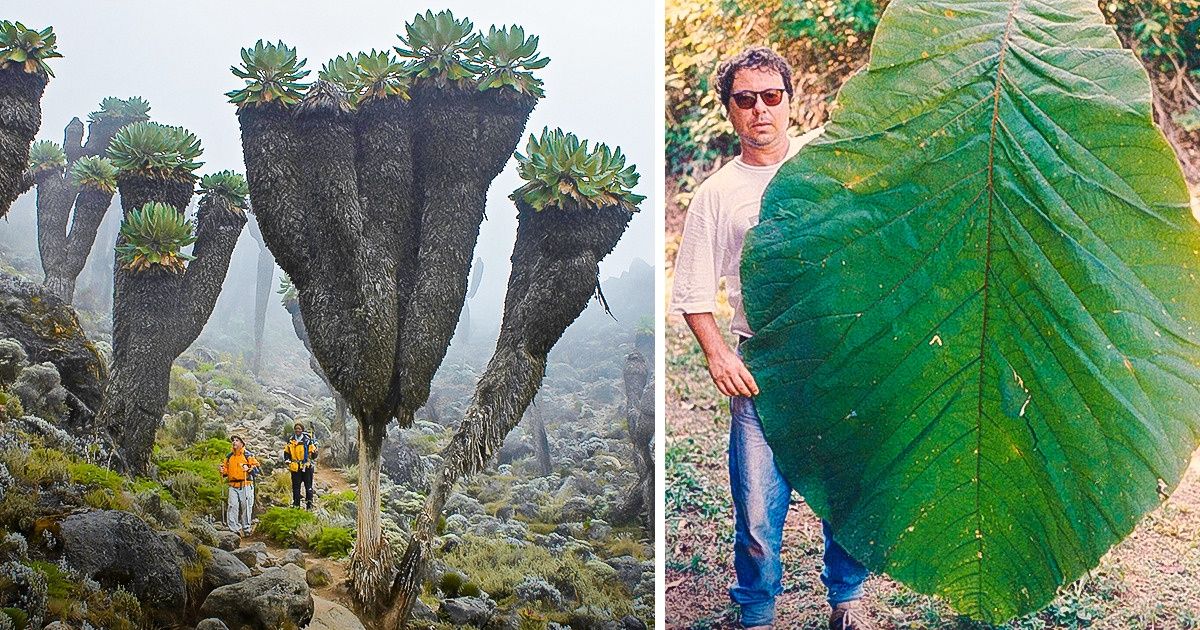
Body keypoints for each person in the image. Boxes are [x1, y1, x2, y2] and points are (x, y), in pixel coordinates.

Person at [669, 46, 872, 630]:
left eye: (772, 96)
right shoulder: (717, 194)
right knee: (757, 510)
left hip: (837, 358)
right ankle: (757, 612)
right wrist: (717, 352)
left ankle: (846, 603)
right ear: (729, 110)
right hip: (762, 369)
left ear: (790, 99)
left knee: (845, 494)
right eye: (745, 99)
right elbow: (693, 290)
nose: (761, 109)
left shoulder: (825, 159)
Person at [220, 435, 259, 537]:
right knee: (232, 505)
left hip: (246, 484)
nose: (234, 442)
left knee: (246, 506)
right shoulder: (229, 457)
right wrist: (223, 471)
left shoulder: (248, 455)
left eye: (237, 440)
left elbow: (256, 468)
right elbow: (226, 470)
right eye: (233, 440)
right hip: (233, 485)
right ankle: (233, 529)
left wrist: (248, 468)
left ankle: (246, 528)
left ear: (242, 443)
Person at [283, 422, 318, 510]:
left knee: (308, 486)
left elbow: (313, 454)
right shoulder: (291, 440)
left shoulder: (307, 440)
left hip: (306, 466)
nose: (297, 430)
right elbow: (286, 452)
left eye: (299, 428)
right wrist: (287, 460)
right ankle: (296, 505)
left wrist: (314, 453)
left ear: (302, 430)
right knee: (296, 487)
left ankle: (309, 505)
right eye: (296, 428)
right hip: (295, 466)